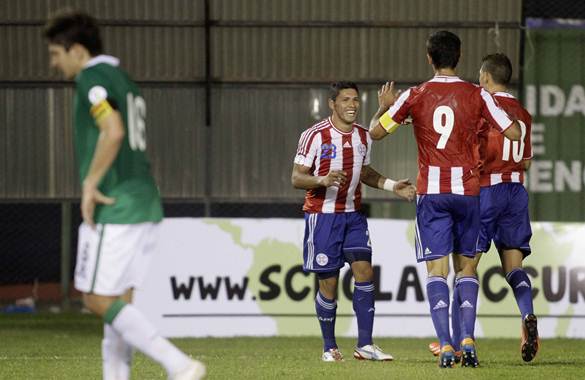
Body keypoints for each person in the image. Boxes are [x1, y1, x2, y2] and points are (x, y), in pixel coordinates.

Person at [44, 10, 205, 380]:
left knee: (95, 299)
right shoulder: (124, 79)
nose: (53, 63)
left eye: (56, 53)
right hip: (145, 202)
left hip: (116, 204)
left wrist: (89, 184)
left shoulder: (92, 77)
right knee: (118, 305)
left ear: (77, 50)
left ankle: (178, 364)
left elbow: (112, 130)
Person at [369, 31, 521, 368]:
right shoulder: (478, 95)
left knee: (436, 272)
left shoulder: (415, 95)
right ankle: (467, 338)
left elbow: (375, 133)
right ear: (460, 56)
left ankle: (446, 346)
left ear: (429, 58)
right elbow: (514, 132)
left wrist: (385, 108)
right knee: (466, 268)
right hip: (468, 193)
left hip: (433, 195)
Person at [291, 81, 416, 362]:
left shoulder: (362, 136)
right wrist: (321, 179)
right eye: (346, 100)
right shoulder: (314, 135)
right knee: (329, 285)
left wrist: (393, 185)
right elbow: (297, 177)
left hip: (354, 217)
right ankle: (329, 348)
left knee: (364, 273)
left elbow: (366, 172)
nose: (352, 105)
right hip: (323, 218)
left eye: (356, 100)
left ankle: (365, 345)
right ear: (332, 104)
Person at [429, 53, 539, 363]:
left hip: (487, 192)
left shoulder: (483, 109)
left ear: (487, 78)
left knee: (465, 268)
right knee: (514, 268)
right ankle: (527, 315)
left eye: (480, 75)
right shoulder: (524, 115)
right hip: (516, 192)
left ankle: (457, 339)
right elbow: (527, 161)